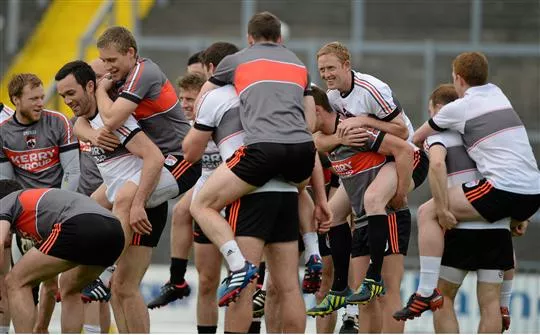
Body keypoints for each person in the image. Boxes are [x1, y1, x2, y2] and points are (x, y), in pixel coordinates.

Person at [190, 11, 331, 306]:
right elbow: (309, 123)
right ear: (280, 38)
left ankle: (238, 266)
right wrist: (322, 201)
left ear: (249, 39)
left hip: (265, 150)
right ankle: (314, 249)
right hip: (302, 153)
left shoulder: (238, 59)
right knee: (289, 286)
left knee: (201, 204)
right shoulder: (298, 64)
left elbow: (205, 93)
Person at [395, 51, 540, 320]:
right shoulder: (498, 95)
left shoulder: (453, 115)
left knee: (428, 213)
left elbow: (420, 141)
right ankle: (506, 302)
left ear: (457, 78)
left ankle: (425, 292)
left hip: (499, 194)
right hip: (531, 193)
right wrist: (521, 216)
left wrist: (442, 208)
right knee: (491, 303)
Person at [57, 57, 197, 334]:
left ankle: (103, 271)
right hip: (122, 195)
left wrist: (136, 203)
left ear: (90, 86)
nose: (106, 79)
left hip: (139, 201)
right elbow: (79, 125)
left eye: (104, 76)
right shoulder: (89, 119)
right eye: (63, 96)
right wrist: (92, 135)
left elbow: (152, 157)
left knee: (124, 286)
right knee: (112, 287)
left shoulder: (117, 116)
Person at [423, 83, 516, 333]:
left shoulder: (439, 137)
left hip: (462, 224)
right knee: (490, 304)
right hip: (496, 223)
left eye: (431, 110)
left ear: (440, 110)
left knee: (443, 298)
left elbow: (437, 167)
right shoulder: (486, 134)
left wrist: (442, 208)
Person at [0, 73, 81, 333]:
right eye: (33, 98)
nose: (40, 103)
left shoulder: (58, 122)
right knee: (20, 284)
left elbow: (72, 173)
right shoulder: (3, 133)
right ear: (15, 100)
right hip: (25, 216)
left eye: (42, 97)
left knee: (67, 285)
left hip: (59, 211)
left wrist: (59, 212)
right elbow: (6, 184)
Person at [0, 180, 124, 333]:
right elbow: (50, 282)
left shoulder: (6, 201)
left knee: (14, 281)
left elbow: (0, 242)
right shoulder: (42, 209)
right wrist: (42, 327)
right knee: (70, 288)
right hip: (116, 231)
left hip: (80, 224)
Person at [146, 73, 214, 313]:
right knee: (207, 283)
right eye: (181, 99)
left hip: (233, 196)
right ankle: (177, 280)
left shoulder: (219, 120)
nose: (184, 104)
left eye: (190, 99)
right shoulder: (179, 128)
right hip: (209, 198)